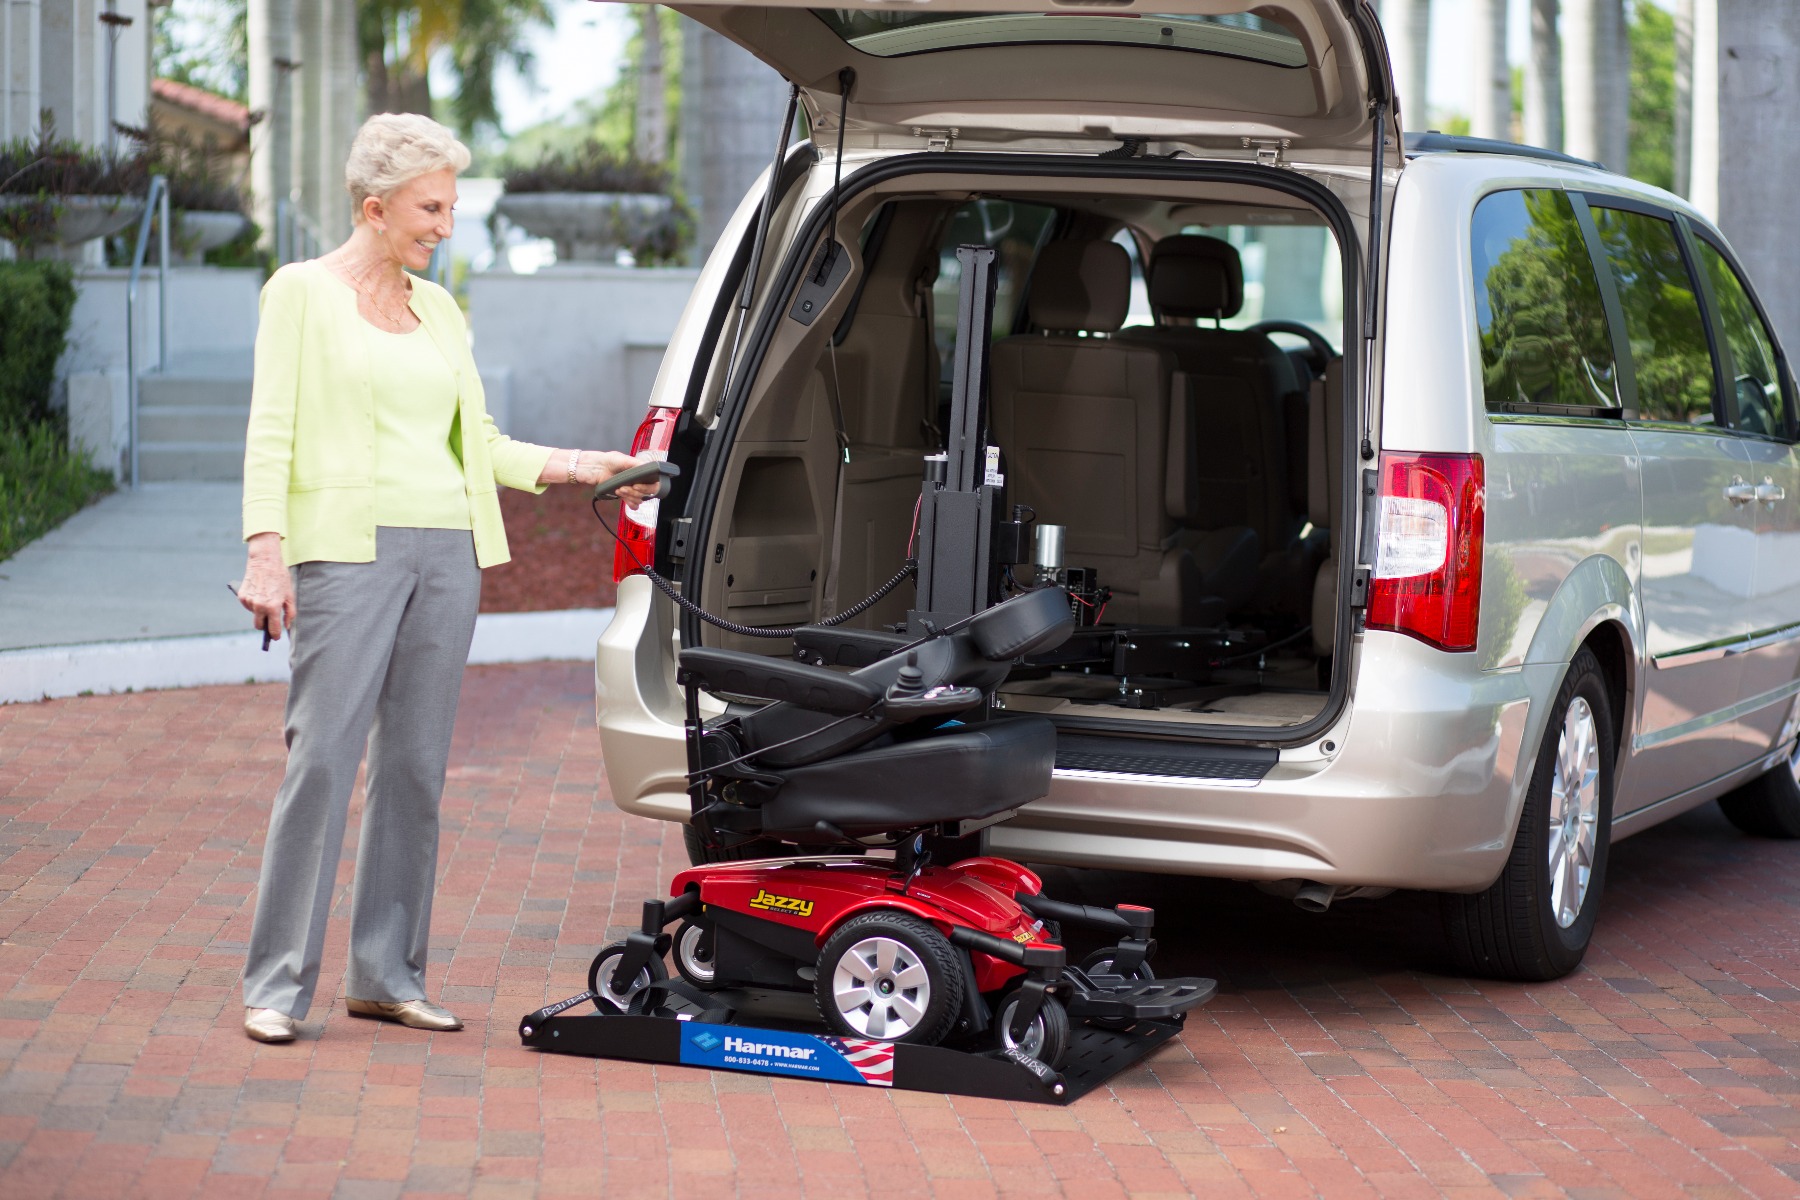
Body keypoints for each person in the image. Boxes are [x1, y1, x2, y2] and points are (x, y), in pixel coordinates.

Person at [233, 113, 656, 1043]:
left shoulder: (441, 310)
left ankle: (386, 974)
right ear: (376, 208)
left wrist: (578, 464)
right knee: (322, 761)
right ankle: (275, 984)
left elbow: (485, 443)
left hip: (448, 552)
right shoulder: (301, 293)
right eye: (432, 207)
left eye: (452, 206)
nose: (445, 225)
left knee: (415, 769)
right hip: (345, 551)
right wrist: (267, 550)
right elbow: (272, 429)